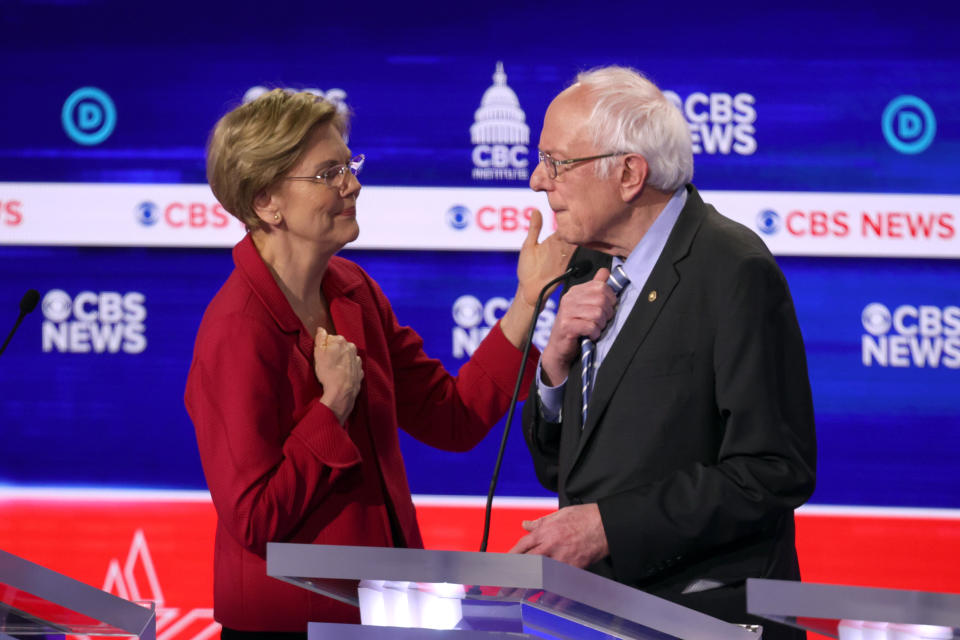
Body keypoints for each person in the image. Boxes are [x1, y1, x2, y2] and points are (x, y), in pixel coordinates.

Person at [184, 89, 570, 637]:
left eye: (350, 165)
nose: (353, 184)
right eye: (329, 173)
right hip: (289, 625)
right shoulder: (237, 329)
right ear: (267, 200)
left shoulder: (354, 291)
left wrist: (529, 300)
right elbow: (254, 519)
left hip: (383, 616)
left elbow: (451, 417)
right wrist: (332, 407)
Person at [510, 66, 816, 637]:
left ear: (628, 173)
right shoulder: (585, 265)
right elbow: (564, 468)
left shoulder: (732, 270)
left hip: (704, 616)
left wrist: (608, 528)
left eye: (557, 161)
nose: (536, 180)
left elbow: (774, 470)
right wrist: (552, 367)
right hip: (593, 614)